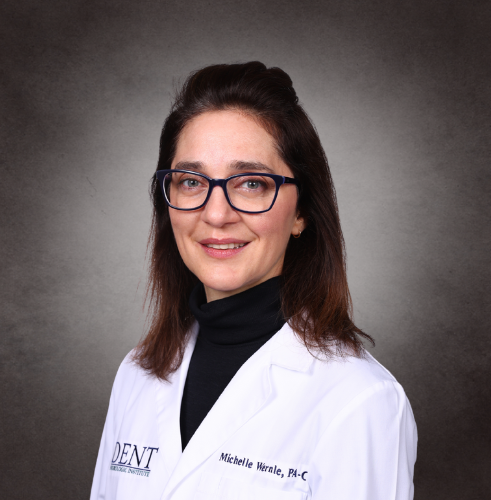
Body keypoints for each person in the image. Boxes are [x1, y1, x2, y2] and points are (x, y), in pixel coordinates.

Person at [90, 61, 417, 500]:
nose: (216, 214)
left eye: (250, 184)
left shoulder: (361, 401)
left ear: (301, 212)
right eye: (191, 181)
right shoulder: (137, 374)